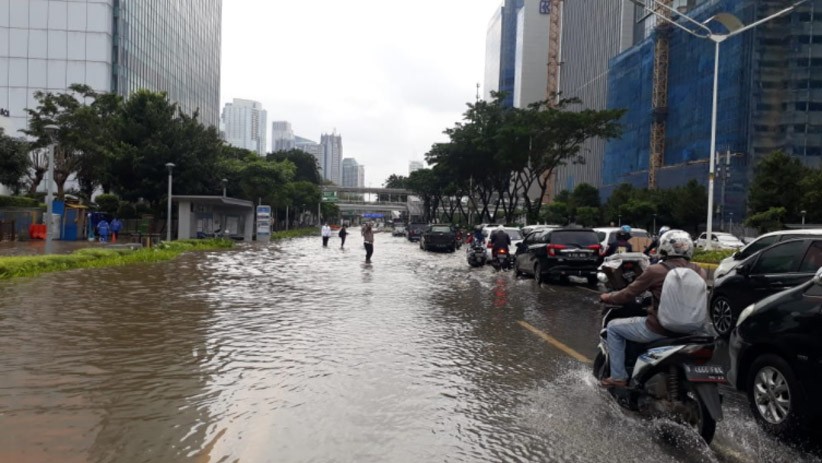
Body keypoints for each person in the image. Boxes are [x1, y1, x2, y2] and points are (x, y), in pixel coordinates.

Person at [598, 230, 707, 388]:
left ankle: (618, 377)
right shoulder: (700, 272)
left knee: (613, 327)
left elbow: (628, 294)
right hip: (692, 330)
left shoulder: (656, 270)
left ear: (663, 248)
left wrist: (609, 297)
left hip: (659, 329)